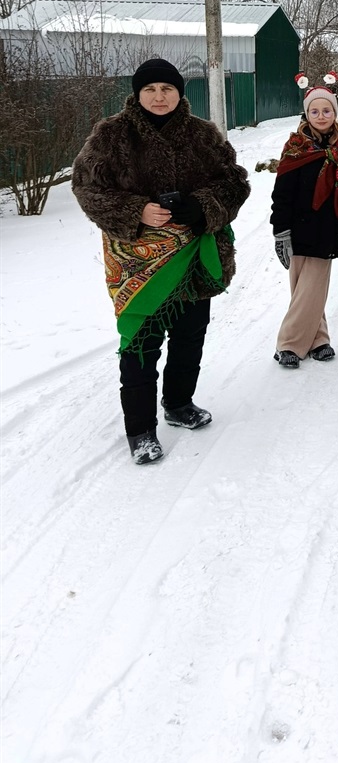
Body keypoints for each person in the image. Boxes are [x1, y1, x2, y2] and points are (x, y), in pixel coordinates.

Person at [72, 58, 250, 465]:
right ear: (137, 93)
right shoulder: (111, 136)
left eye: (166, 89)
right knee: (141, 344)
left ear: (179, 93)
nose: (158, 96)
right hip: (138, 264)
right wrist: (136, 211)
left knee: (190, 336)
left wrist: (202, 206)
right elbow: (86, 187)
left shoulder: (203, 135)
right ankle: (140, 431)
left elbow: (235, 182)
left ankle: (179, 404)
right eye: (150, 89)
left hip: (192, 259)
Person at [271, 77, 338, 368]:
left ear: (335, 113)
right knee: (303, 289)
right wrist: (280, 231)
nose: (321, 116)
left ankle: (289, 344)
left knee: (311, 287)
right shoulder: (295, 147)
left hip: (329, 228)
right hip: (297, 227)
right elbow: (282, 193)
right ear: (307, 114)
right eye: (315, 111)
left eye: (326, 111)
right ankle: (318, 339)